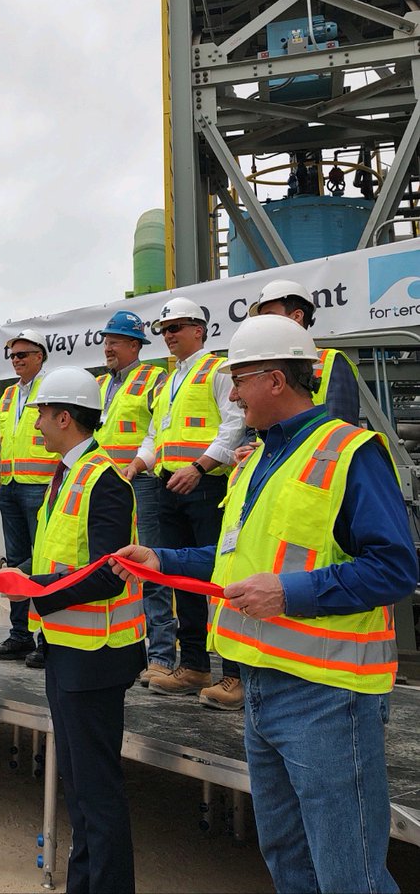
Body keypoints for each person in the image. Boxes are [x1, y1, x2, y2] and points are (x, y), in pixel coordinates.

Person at [111, 315, 418, 894]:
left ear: (276, 380)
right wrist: (165, 560)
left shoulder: (349, 452)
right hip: (258, 686)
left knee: (349, 874)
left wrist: (290, 593)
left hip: (328, 697)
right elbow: (234, 559)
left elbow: (396, 568)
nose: (230, 392)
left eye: (239, 378)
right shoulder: (254, 459)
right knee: (287, 859)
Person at [3, 368, 145, 894]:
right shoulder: (67, 475)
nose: (35, 422)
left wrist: (34, 589)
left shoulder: (104, 480)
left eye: (41, 413)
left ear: (65, 417)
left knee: (96, 789)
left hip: (98, 655)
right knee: (79, 786)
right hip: (67, 648)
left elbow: (111, 573)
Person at [124, 297, 246, 708]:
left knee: (219, 577)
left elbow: (236, 425)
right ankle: (194, 664)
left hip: (207, 486)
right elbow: (155, 432)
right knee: (181, 578)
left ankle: (234, 672)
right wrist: (140, 461)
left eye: (176, 327)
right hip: (168, 486)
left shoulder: (219, 371)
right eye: (164, 329)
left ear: (200, 329)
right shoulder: (166, 380)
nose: (169, 335)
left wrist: (199, 465)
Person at [94, 310, 173, 685]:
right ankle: (122, 648)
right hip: (104, 485)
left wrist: (139, 466)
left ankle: (160, 654)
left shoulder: (154, 379)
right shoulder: (97, 385)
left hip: (141, 482)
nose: (107, 347)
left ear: (134, 344)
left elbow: (159, 430)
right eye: (106, 340)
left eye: (115, 340)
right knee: (109, 564)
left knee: (149, 564)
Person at [0, 328, 59, 667]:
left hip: (42, 486)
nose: (16, 360)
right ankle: (20, 635)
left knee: (44, 563)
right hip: (12, 486)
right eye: (13, 355)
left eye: (23, 354)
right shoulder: (6, 396)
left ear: (40, 356)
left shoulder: (53, 388)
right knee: (17, 564)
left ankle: (48, 639)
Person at [250, 279, 360, 423]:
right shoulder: (262, 363)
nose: (262, 325)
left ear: (297, 316)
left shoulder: (332, 361)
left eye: (270, 316)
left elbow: (341, 428)